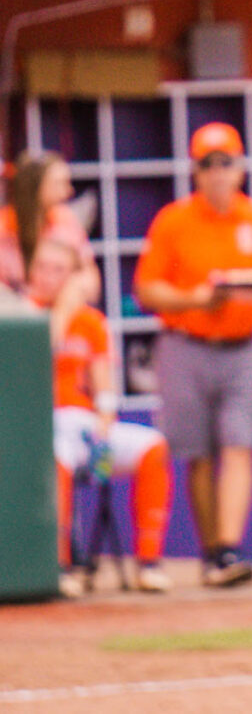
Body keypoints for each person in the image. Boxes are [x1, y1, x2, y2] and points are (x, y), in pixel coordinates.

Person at [134, 122, 252, 588]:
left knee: (240, 443)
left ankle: (228, 547)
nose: (217, 173)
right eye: (208, 164)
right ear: (196, 172)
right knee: (198, 454)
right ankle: (211, 551)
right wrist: (198, 298)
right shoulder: (174, 221)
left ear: (239, 168)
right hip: (186, 345)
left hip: (242, 347)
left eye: (225, 163)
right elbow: (146, 289)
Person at [27, 237, 173, 597]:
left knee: (154, 447)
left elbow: (103, 387)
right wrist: (61, 309)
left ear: (73, 276)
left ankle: (149, 563)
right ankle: (60, 567)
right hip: (39, 425)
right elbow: (34, 364)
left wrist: (104, 428)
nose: (49, 277)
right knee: (57, 458)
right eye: (42, 268)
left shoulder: (91, 321)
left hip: (83, 423)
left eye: (59, 270)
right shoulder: (21, 313)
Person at [0, 151, 101, 301]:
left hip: (58, 306)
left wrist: (75, 289)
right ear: (34, 186)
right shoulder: (4, 226)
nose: (69, 191)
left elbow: (91, 279)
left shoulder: (66, 221)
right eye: (60, 183)